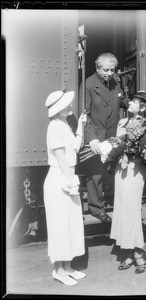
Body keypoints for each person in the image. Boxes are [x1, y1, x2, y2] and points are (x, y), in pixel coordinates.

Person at [43, 90, 87, 286]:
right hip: (60, 177)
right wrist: (72, 182)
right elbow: (60, 158)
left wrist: (81, 126)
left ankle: (68, 267)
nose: (71, 107)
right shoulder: (54, 126)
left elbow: (76, 147)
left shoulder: (65, 125)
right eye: (67, 105)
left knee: (71, 223)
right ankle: (58, 270)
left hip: (68, 175)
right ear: (58, 109)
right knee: (60, 226)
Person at [79, 53, 128, 222]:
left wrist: (135, 103)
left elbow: (122, 101)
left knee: (108, 171)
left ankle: (109, 202)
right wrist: (91, 138)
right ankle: (96, 209)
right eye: (105, 70)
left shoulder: (115, 83)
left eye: (112, 70)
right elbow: (84, 115)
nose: (109, 73)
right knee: (95, 174)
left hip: (111, 135)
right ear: (97, 68)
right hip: (96, 136)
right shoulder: (88, 84)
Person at [110, 91, 146, 274]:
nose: (129, 103)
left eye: (134, 102)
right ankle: (127, 251)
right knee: (121, 209)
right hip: (120, 170)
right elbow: (118, 145)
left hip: (135, 171)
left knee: (132, 209)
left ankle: (138, 252)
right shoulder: (122, 123)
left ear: (143, 108)